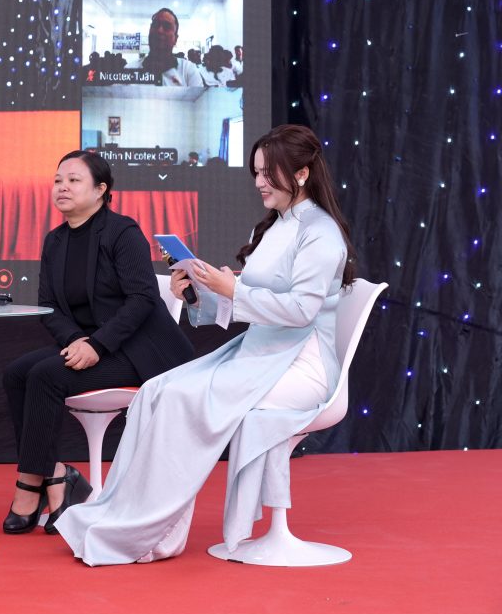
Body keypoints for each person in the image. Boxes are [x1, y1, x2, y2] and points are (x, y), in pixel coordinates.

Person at [56, 124, 357, 566]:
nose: (259, 182)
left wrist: (231, 289)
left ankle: (156, 534)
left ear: (301, 174)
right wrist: (198, 292)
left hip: (300, 362)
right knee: (156, 391)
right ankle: (122, 517)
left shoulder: (321, 232)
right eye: (256, 172)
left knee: (181, 400)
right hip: (258, 354)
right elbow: (251, 302)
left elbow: (300, 312)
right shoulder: (274, 227)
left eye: (268, 173)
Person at [1, 151, 194, 535]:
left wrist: (97, 345)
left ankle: (31, 484)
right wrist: (77, 339)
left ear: (101, 189)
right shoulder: (55, 241)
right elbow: (49, 307)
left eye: (74, 180)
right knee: (16, 374)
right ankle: (55, 474)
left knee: (46, 375)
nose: (62, 187)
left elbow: (142, 299)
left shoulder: (122, 232)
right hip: (93, 343)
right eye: (58, 180)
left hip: (141, 350)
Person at [126, 8, 202, 87]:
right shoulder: (129, 71)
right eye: (155, 25)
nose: (159, 30)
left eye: (167, 27)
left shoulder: (188, 71)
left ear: (175, 39)